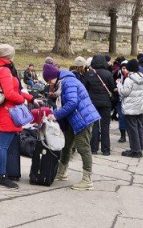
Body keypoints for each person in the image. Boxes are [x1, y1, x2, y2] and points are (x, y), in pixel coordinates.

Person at [43, 62, 100, 191]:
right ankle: (61, 173)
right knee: (67, 145)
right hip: (74, 119)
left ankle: (87, 179)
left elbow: (72, 103)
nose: (49, 84)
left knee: (83, 147)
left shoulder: (68, 82)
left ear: (53, 76)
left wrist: (56, 115)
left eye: (49, 81)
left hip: (83, 119)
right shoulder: (63, 82)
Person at [0, 44, 37, 189]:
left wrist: (31, 98)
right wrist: (22, 100)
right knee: (2, 145)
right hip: (8, 112)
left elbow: (12, 90)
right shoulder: (4, 71)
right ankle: (2, 176)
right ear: (10, 56)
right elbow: (10, 94)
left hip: (0, 110)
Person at [83, 55, 116, 156]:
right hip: (106, 103)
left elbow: (85, 88)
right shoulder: (108, 74)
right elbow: (112, 87)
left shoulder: (89, 74)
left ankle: (93, 148)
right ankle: (106, 149)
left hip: (93, 103)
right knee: (105, 126)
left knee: (95, 126)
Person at [119, 59, 143, 158]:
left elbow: (125, 92)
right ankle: (139, 147)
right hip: (139, 106)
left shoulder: (129, 79)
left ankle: (135, 150)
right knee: (139, 127)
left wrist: (119, 87)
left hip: (130, 107)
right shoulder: (142, 77)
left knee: (132, 129)